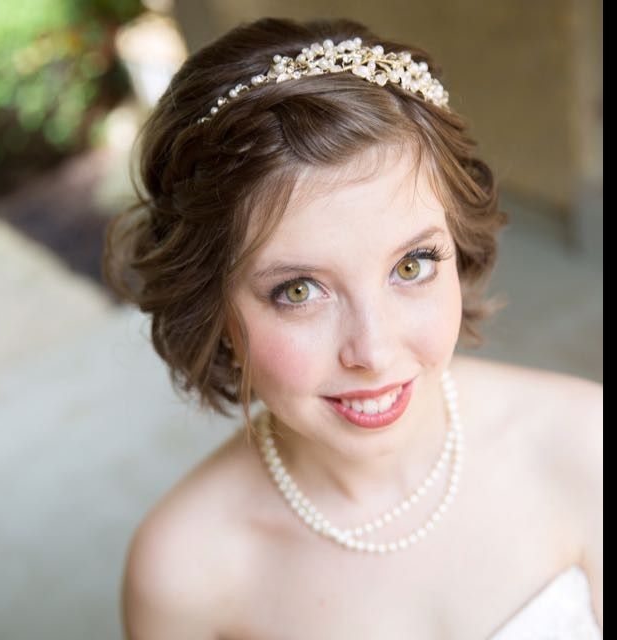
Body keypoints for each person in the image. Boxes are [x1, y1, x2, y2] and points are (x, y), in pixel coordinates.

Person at [104, 16, 603, 639]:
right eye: (298, 291)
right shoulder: (183, 574)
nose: (373, 350)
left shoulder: (585, 444)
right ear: (213, 308)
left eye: (411, 265)